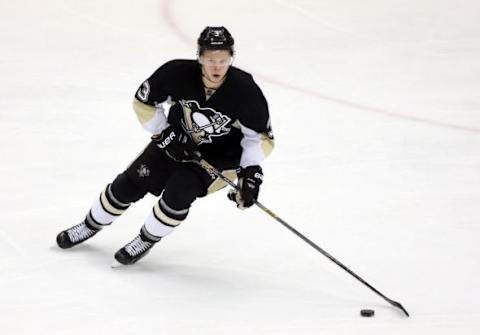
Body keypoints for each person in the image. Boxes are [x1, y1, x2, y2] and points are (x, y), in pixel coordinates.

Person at [56, 26, 274, 266]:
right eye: (211, 59)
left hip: (218, 157)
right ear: (200, 57)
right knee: (129, 184)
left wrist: (250, 171)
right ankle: (89, 225)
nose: (216, 67)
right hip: (175, 140)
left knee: (178, 194)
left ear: (231, 58)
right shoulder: (176, 73)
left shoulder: (245, 91)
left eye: (223, 60)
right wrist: (166, 134)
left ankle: (146, 239)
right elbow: (144, 102)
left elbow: (260, 136)